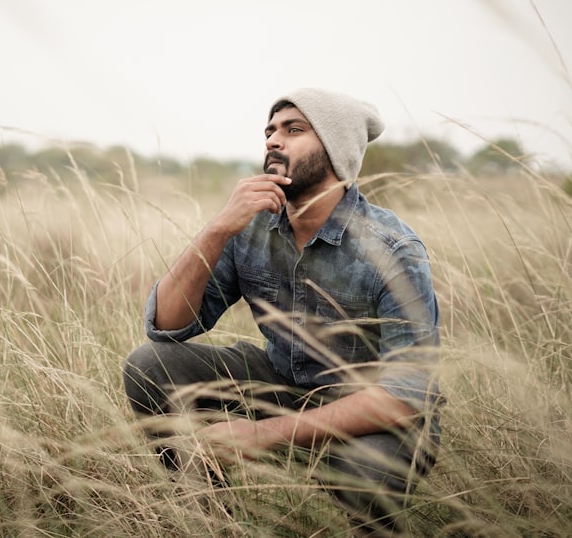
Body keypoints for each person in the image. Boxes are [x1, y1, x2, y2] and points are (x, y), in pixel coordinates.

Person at [123, 88, 442, 534]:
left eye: (294, 130)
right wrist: (217, 229)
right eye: (270, 131)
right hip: (282, 384)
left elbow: (406, 397)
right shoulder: (249, 227)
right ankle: (210, 523)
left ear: (335, 150)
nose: (273, 141)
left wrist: (262, 434)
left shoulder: (392, 249)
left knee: (363, 473)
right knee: (149, 365)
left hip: (371, 416)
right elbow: (167, 327)